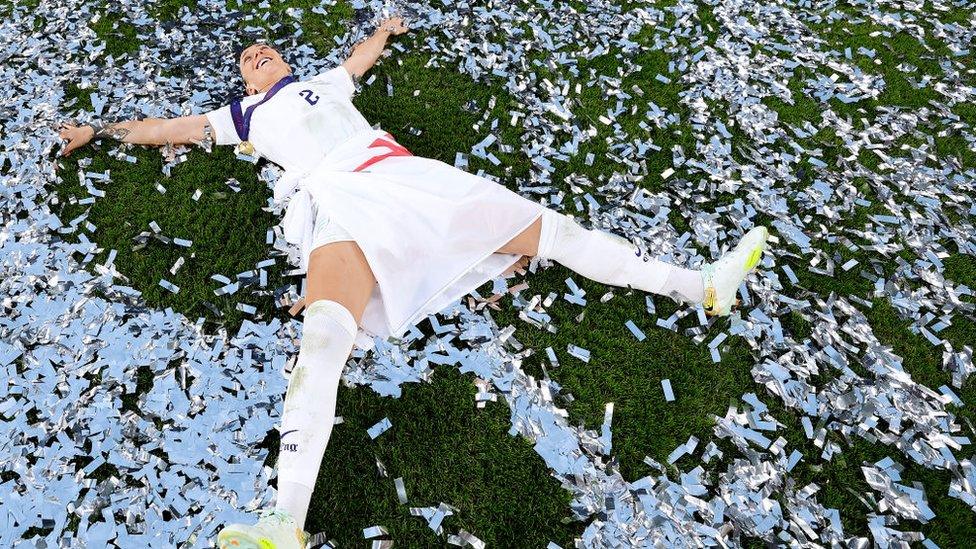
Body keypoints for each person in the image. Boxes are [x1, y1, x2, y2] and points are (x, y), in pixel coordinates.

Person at [58, 16, 768, 549]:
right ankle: (285, 519)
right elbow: (164, 129)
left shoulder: (322, 84)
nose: (258, 55)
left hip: (398, 174)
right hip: (334, 202)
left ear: (284, 59)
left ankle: (700, 284)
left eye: (264, 48)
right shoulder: (240, 115)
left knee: (549, 230)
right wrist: (98, 130)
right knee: (323, 337)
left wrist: (383, 31)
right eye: (247, 59)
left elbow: (357, 61)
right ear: (243, 82)